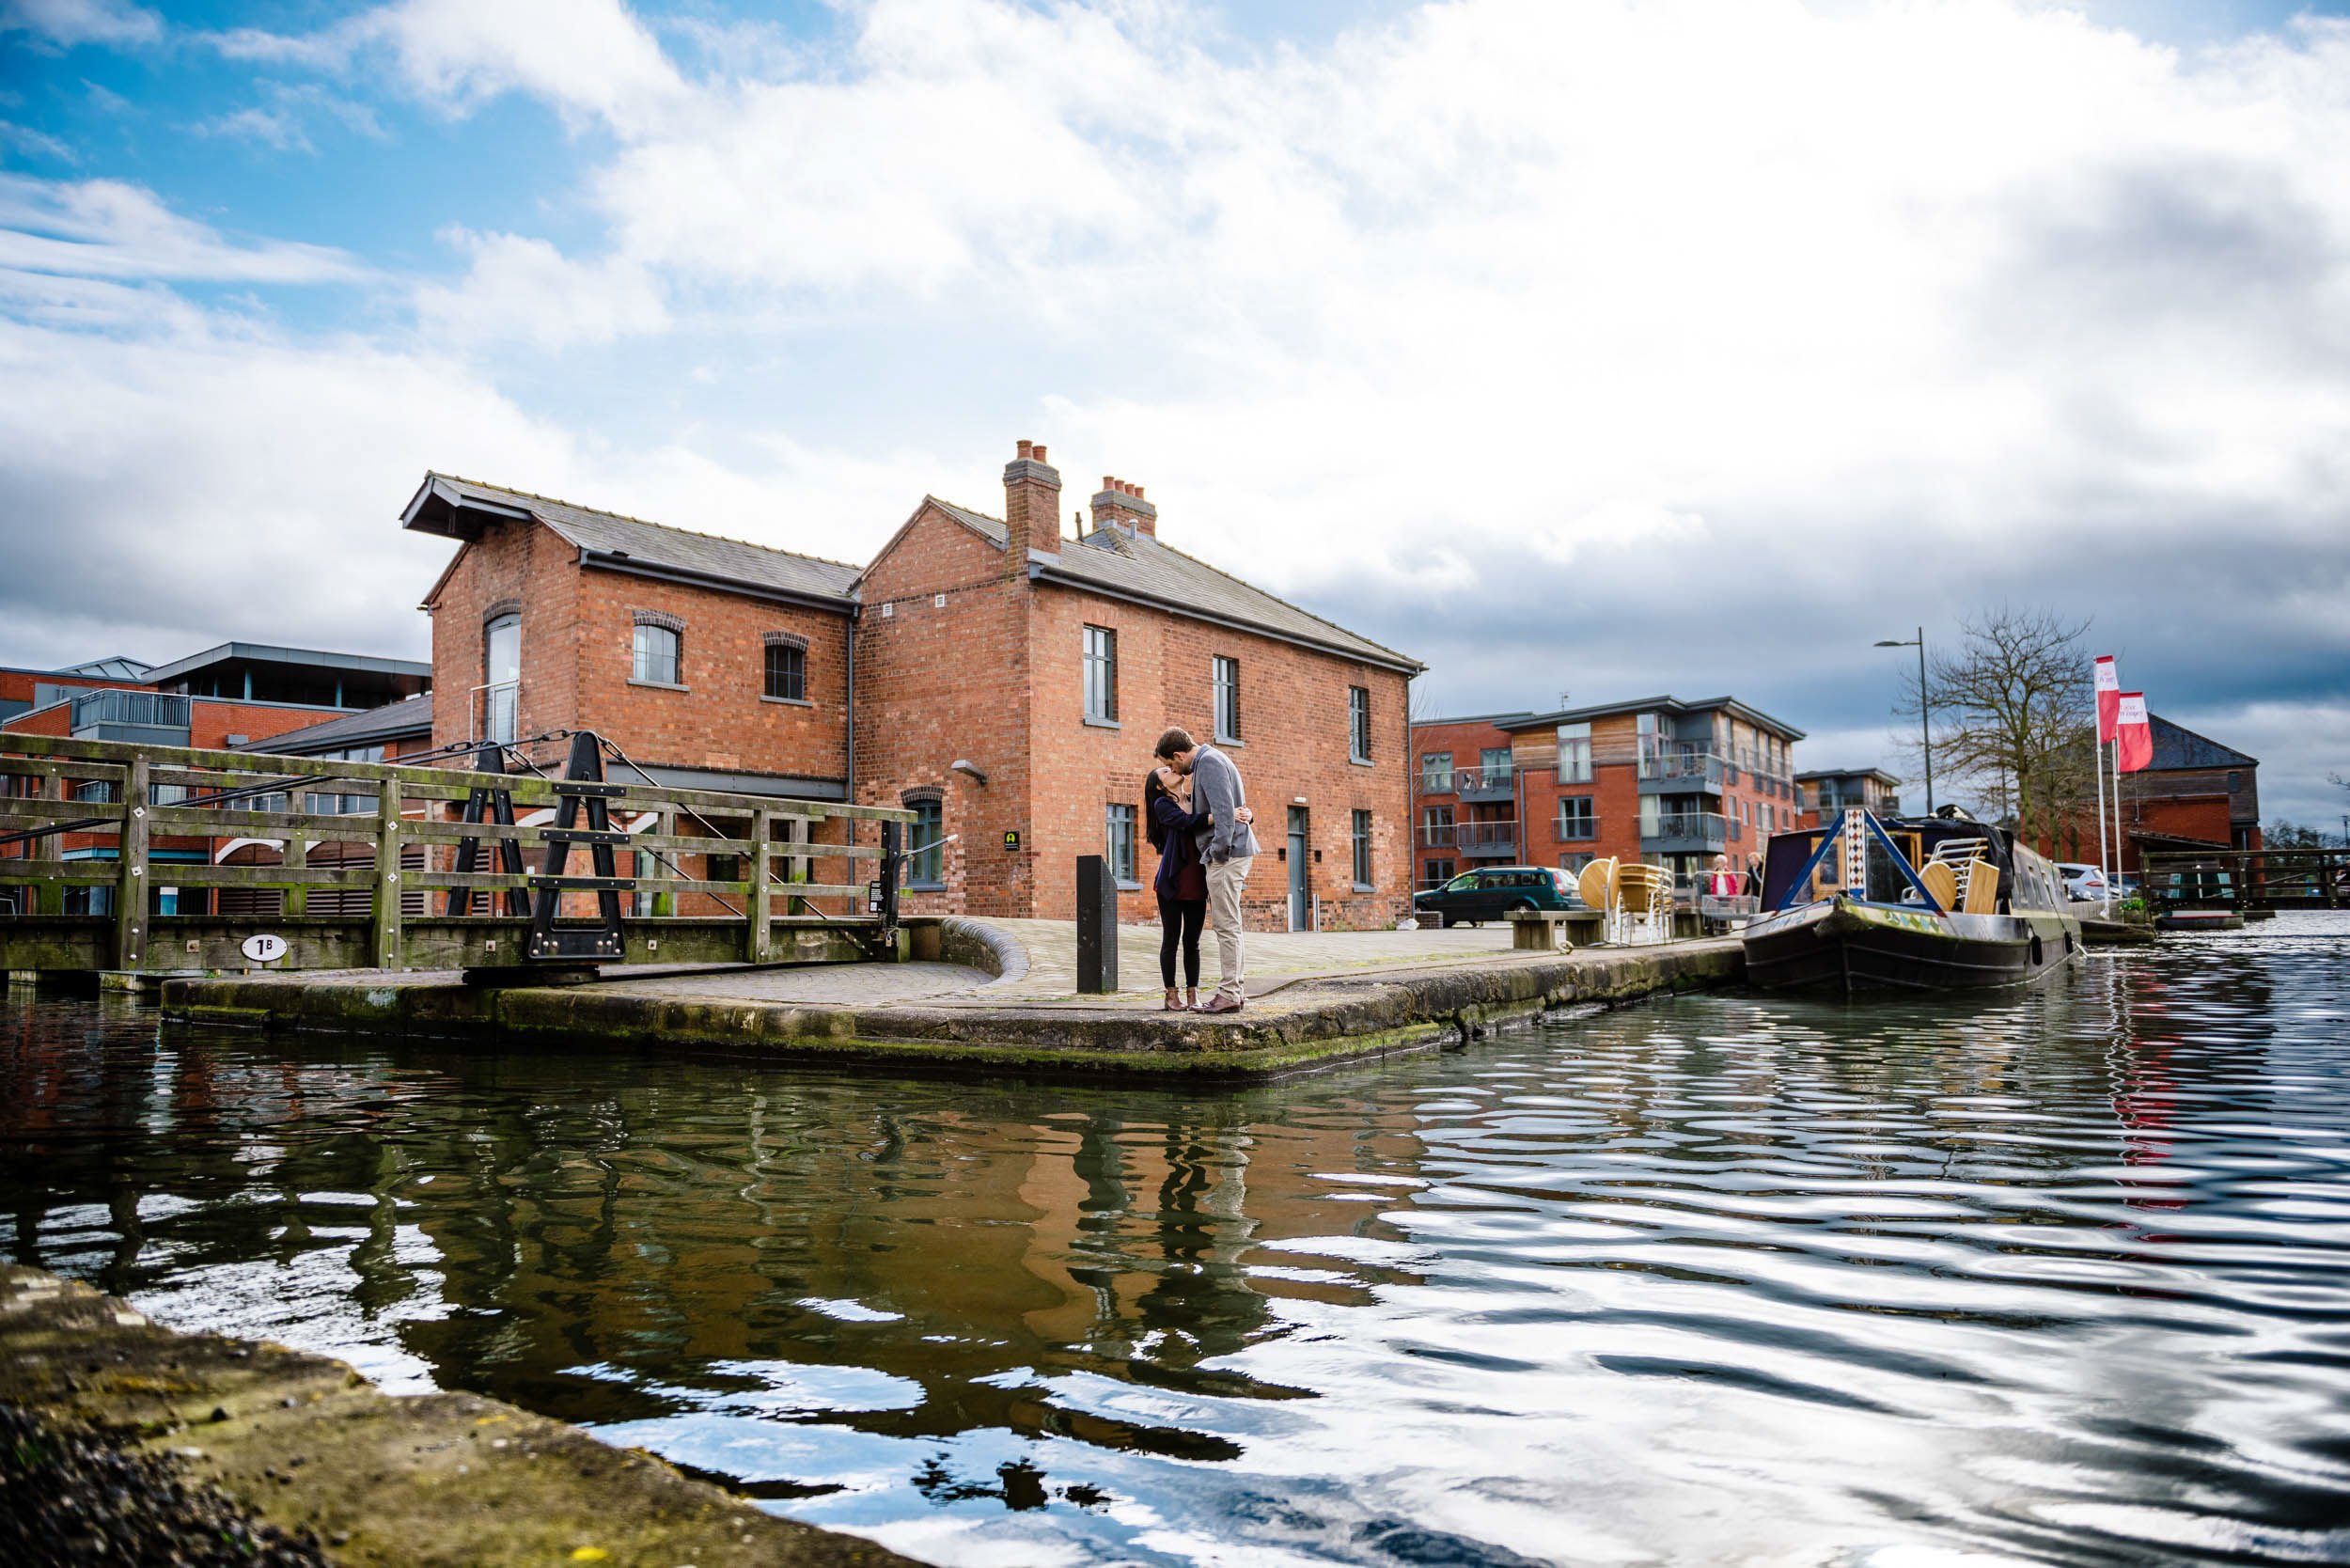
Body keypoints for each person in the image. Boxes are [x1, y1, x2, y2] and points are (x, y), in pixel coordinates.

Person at [1154, 726, 1259, 1012]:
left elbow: (1225, 814)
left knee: (1226, 926)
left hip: (1226, 855)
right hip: (1233, 852)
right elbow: (1234, 808)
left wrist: (1217, 853)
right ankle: (1234, 990)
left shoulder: (1209, 763)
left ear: (1178, 754)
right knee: (1231, 925)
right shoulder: (1215, 758)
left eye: (1170, 764)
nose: (1174, 770)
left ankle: (1229, 993)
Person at [1144, 765, 1211, 1011]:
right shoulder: (1162, 805)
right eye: (1166, 771)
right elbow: (1185, 822)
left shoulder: (1196, 800)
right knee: (1170, 940)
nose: (1173, 770)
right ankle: (1171, 996)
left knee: (1192, 942)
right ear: (1161, 786)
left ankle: (1193, 995)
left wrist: (1244, 814)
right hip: (1171, 883)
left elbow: (1220, 809)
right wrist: (1218, 817)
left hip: (1197, 879)